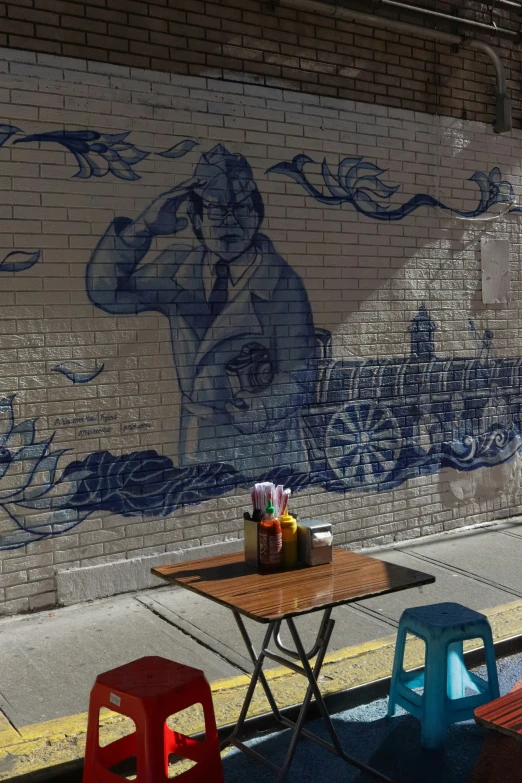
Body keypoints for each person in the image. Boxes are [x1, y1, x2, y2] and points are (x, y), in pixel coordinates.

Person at [87, 145, 318, 476]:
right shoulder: (178, 267)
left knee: (263, 525)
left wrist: (259, 409)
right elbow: (106, 292)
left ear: (256, 216)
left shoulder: (282, 284)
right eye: (215, 211)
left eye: (239, 210)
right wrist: (143, 229)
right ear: (195, 219)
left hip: (265, 448)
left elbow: (300, 373)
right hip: (200, 444)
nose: (229, 222)